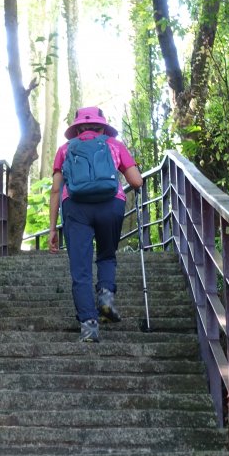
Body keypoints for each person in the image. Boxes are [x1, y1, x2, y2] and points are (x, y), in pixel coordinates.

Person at [48, 106, 143, 343]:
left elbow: (56, 190)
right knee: (107, 255)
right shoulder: (115, 145)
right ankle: (106, 297)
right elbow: (136, 181)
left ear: (77, 128)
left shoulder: (65, 149)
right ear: (103, 126)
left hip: (76, 207)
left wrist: (52, 229)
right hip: (111, 205)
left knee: (80, 268)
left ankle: (89, 326)